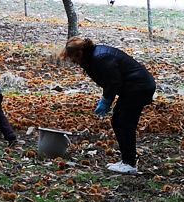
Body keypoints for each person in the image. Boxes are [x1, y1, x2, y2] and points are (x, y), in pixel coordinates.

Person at [61, 37, 155, 174]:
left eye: (73, 58)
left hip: (138, 87)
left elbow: (113, 82)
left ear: (79, 53)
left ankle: (129, 164)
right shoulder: (93, 57)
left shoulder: (100, 58)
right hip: (134, 87)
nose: (73, 62)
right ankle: (127, 161)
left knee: (123, 122)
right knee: (119, 121)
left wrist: (106, 100)